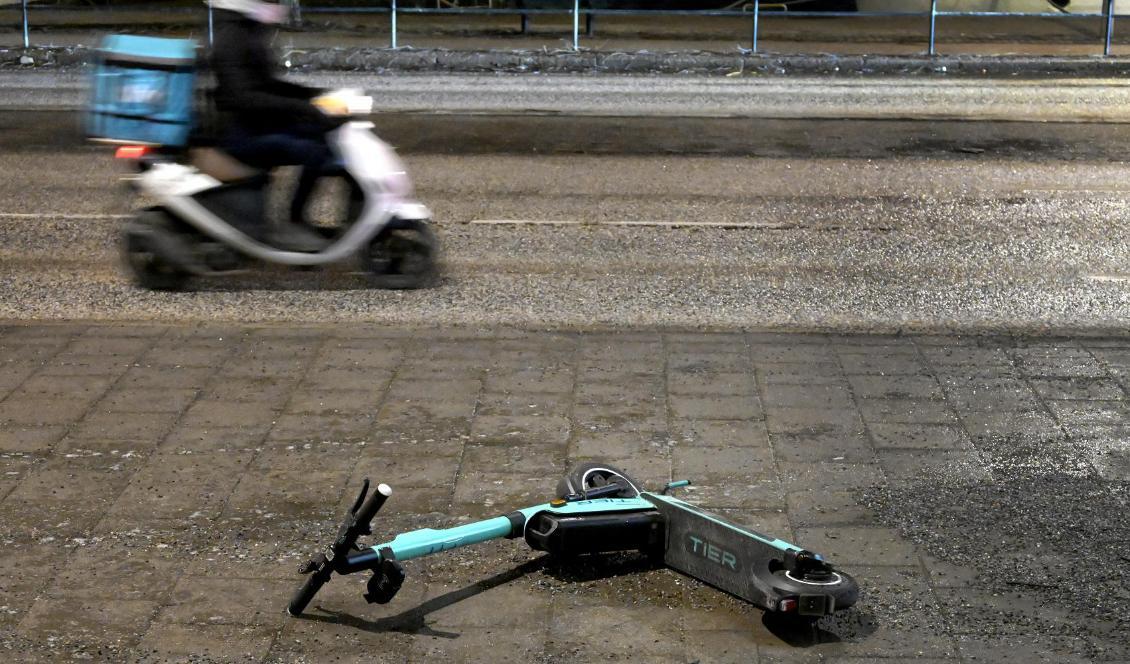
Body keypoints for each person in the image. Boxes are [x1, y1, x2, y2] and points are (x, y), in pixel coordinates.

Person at [208, 0, 344, 251]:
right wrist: (302, 107)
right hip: (240, 135)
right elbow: (244, 97)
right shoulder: (232, 38)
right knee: (311, 150)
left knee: (325, 137)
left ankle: (298, 220)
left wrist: (314, 96)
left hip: (253, 125)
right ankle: (293, 222)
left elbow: (267, 84)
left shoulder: (246, 33)